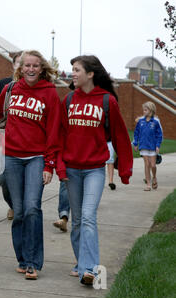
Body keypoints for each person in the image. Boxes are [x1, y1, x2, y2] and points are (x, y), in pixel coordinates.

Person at [56, 55, 133, 286]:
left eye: (77, 70)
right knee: (78, 220)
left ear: (90, 73)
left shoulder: (107, 101)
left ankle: (89, 269)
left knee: (88, 217)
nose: (73, 74)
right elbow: (59, 137)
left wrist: (125, 170)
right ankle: (82, 264)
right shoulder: (68, 100)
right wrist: (59, 167)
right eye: (72, 70)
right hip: (71, 169)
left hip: (94, 171)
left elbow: (120, 136)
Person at [0, 50, 61, 280]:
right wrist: (1, 144)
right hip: (12, 157)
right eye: (27, 66)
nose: (31, 69)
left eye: (35, 66)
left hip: (36, 158)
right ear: (20, 68)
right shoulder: (10, 90)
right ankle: (22, 259)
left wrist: (49, 165)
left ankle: (33, 262)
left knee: (33, 207)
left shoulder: (50, 94)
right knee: (20, 211)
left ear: (42, 69)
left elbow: (54, 131)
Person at [0, 52, 21, 220]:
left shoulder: (38, 87)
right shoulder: (3, 86)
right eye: (18, 63)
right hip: (4, 138)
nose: (21, 67)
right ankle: (13, 205)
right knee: (2, 178)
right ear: (13, 65)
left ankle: (21, 207)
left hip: (27, 141)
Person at [132, 101, 163, 191]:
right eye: (143, 110)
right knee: (147, 164)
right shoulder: (140, 121)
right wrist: (135, 143)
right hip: (143, 145)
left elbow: (159, 135)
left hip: (153, 147)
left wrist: (158, 146)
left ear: (151, 110)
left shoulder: (156, 122)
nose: (144, 112)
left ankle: (154, 177)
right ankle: (148, 184)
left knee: (153, 165)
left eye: (145, 110)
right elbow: (136, 133)